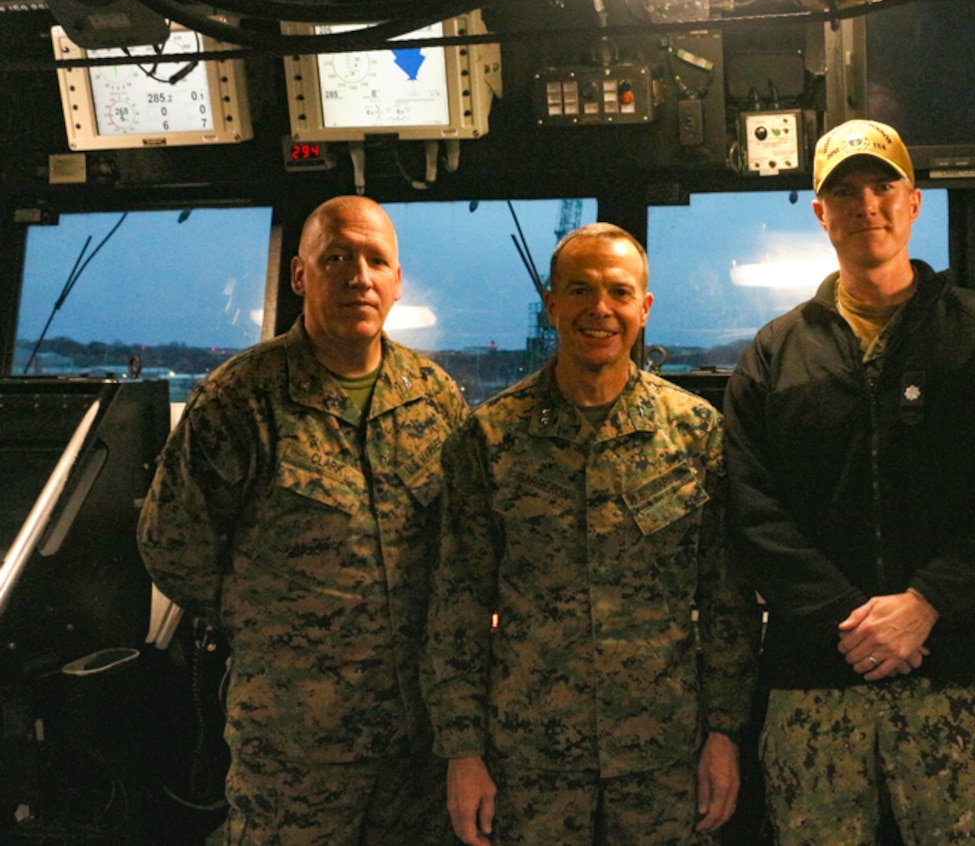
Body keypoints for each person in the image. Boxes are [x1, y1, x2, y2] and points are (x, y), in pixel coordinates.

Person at [722, 119, 975, 845]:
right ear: (820, 214)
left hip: (958, 678)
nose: (865, 205)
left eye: (882, 187)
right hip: (815, 679)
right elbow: (753, 511)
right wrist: (850, 619)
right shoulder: (774, 355)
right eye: (844, 191)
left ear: (914, 203)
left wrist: (928, 602)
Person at [138, 195, 469, 845]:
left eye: (377, 260)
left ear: (398, 283)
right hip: (295, 738)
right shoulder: (239, 399)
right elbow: (171, 544)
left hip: (416, 739)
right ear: (300, 276)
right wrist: (268, 621)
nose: (359, 276)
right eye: (338, 257)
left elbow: (460, 545)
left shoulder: (434, 397)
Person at [423, 222, 759, 846]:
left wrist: (724, 733)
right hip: (529, 765)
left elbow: (725, 601)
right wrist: (462, 753)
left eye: (619, 292)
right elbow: (458, 608)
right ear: (551, 303)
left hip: (664, 759)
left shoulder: (694, 435)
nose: (599, 309)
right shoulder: (489, 440)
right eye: (579, 291)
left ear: (644, 308)